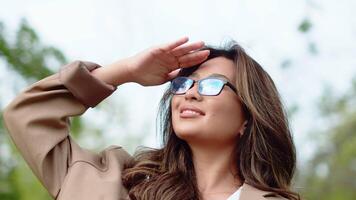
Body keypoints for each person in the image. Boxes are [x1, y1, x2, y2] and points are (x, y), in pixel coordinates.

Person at [3, 37, 300, 200]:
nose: (190, 93)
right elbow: (30, 113)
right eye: (184, 83)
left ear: (247, 117)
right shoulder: (116, 183)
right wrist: (126, 71)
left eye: (213, 85)